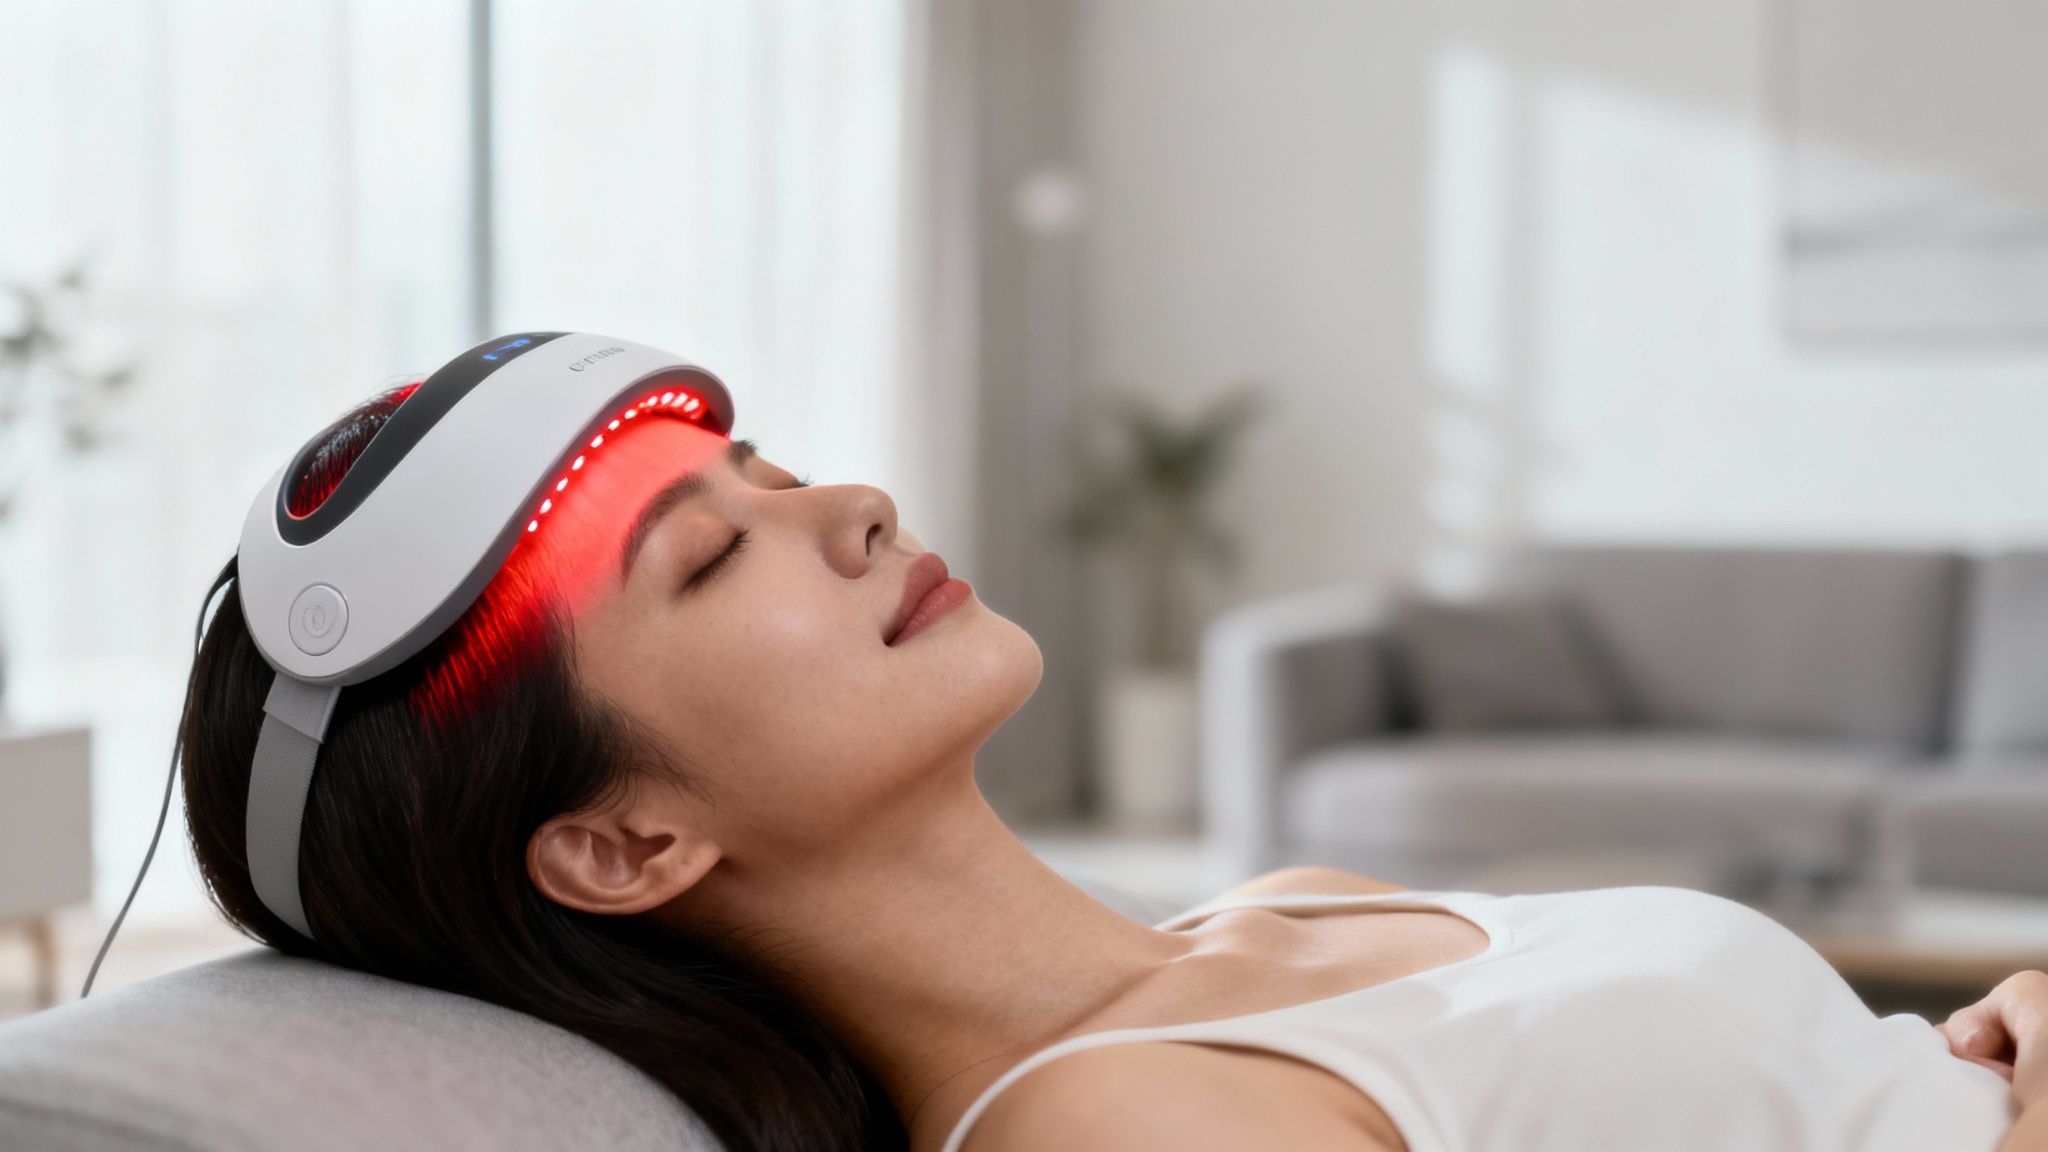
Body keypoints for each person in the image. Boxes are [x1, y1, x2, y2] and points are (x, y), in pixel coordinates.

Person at [178, 385, 2042, 1152]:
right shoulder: (1111, 1131)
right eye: (716, 555)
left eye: (775, 470)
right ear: (621, 842)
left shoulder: (1296, 912)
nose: (854, 503)